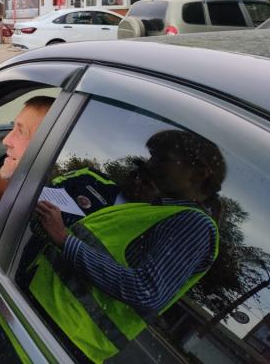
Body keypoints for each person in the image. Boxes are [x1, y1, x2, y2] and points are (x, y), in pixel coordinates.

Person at [30, 130, 225, 363]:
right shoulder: (158, 210)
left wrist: (64, 240)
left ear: (200, 173)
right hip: (45, 313)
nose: (151, 165)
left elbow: (145, 290)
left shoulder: (194, 224)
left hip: (63, 334)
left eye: (163, 159)